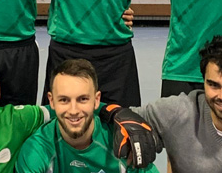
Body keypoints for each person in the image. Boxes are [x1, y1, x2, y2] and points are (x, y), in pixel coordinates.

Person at [105, 36, 222, 172]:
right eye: (213, 85)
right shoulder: (178, 111)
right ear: (203, 81)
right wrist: (115, 117)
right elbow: (112, 121)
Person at [16, 59, 159, 173]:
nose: (73, 110)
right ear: (51, 101)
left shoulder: (121, 143)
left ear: (97, 100)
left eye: (82, 99)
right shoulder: (36, 150)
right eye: (64, 100)